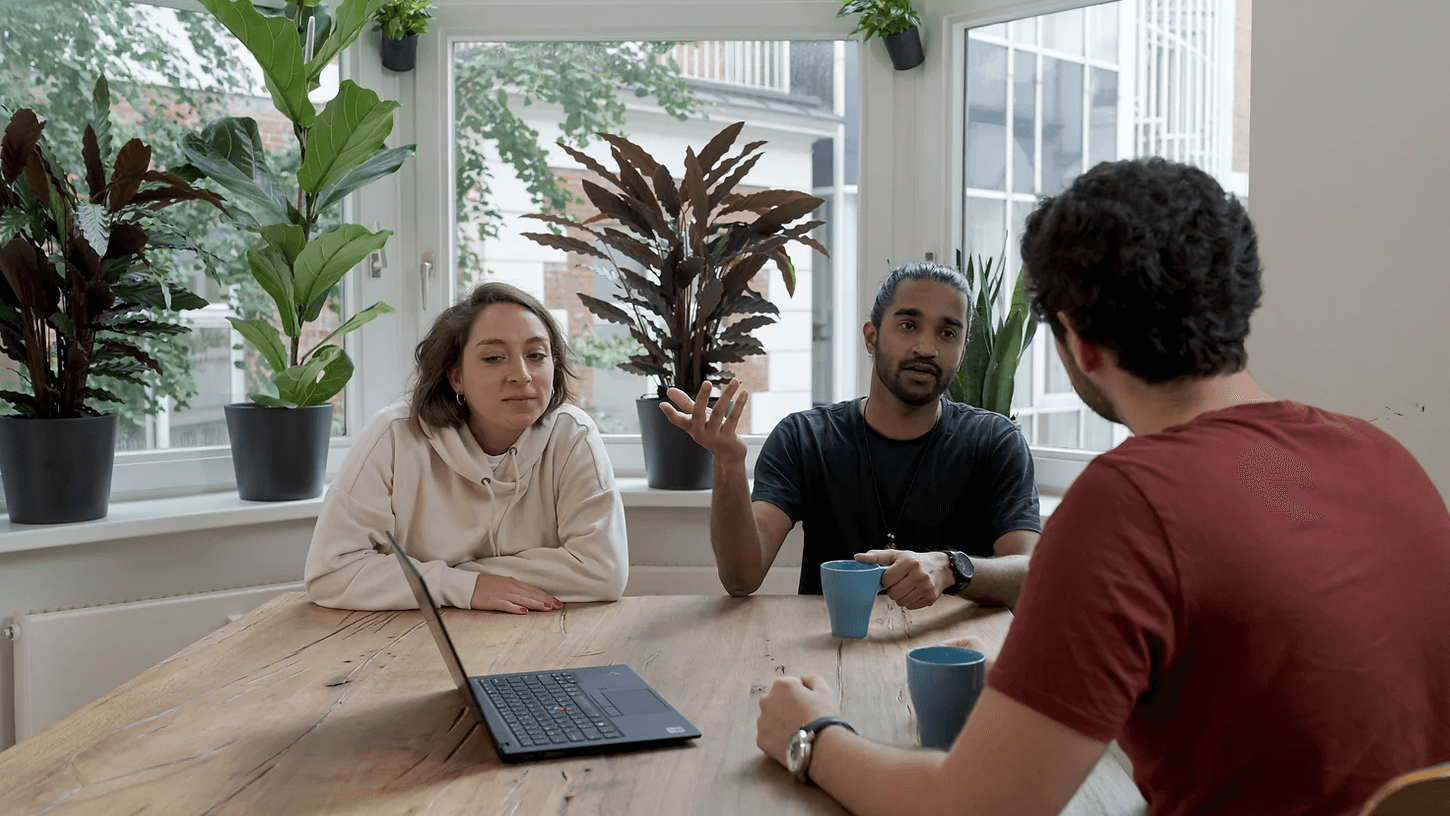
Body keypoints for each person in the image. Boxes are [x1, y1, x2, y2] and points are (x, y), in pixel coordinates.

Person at [753, 158, 1450, 816]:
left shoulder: (1130, 504)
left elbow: (970, 808)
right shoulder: (1386, 458)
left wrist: (812, 735)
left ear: (1079, 345)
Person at [663, 261, 1041, 610]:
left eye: (947, 333)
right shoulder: (804, 438)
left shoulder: (996, 441)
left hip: (951, 658)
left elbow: (1030, 576)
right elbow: (741, 578)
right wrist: (728, 465)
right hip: (830, 658)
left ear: (961, 351)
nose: (926, 348)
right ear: (872, 337)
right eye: (908, 325)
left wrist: (951, 568)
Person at [305, 282, 629, 613]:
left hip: (538, 631)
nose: (521, 374)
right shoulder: (394, 435)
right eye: (493, 358)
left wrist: (448, 579)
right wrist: (461, 587)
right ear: (456, 377)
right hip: (409, 639)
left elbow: (604, 571)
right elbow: (330, 572)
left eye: (536, 355)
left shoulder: (572, 434)